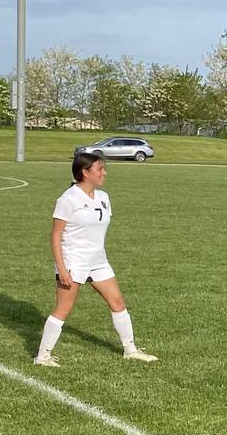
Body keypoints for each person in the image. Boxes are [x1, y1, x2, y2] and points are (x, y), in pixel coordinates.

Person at [33, 152, 157, 367]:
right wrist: (62, 268)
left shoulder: (103, 197)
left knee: (117, 302)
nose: (104, 173)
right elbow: (55, 235)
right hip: (73, 261)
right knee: (63, 309)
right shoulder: (68, 199)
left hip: (98, 260)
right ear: (85, 172)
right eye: (100, 169)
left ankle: (130, 350)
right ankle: (42, 356)